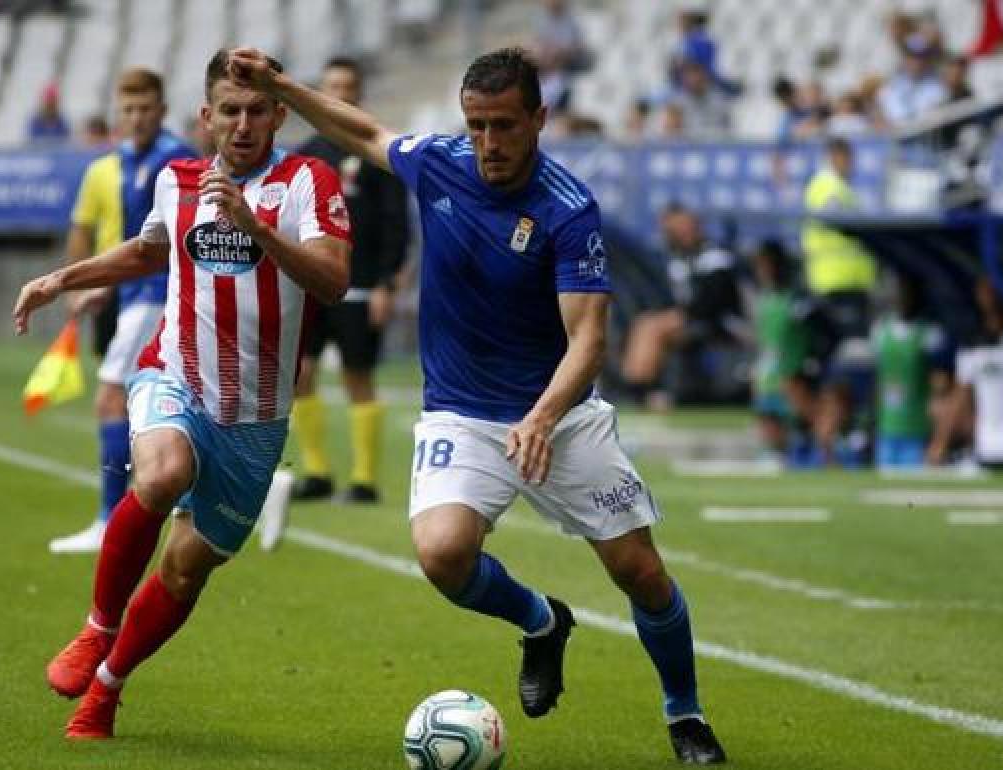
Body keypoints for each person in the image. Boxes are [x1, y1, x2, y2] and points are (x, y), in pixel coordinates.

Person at [229, 45, 727, 764]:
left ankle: (685, 715)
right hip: (462, 414)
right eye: (476, 126)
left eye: (503, 126)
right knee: (441, 554)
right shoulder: (441, 163)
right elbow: (366, 134)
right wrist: (279, 86)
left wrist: (542, 417)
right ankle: (541, 622)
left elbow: (587, 342)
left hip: (558, 413)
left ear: (539, 119)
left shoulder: (567, 210)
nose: (488, 144)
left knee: (639, 572)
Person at [13, 50, 350, 739]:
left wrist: (256, 229)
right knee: (163, 471)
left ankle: (107, 687)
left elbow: (333, 280)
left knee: (185, 568)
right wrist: (61, 280)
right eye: (231, 110)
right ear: (207, 117)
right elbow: (149, 251)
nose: (245, 123)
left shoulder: (307, 181)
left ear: (280, 114)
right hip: (177, 374)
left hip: (256, 418)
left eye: (259, 110)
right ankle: (94, 629)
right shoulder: (179, 178)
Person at [48, 69, 198, 555]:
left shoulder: (173, 159)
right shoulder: (123, 163)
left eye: (144, 108)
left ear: (161, 109)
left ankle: (110, 520)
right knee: (153, 402)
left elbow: (159, 246)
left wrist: (101, 283)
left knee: (113, 398)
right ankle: (183, 501)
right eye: (128, 109)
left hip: (153, 295)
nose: (136, 117)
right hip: (134, 295)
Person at [290, 56, 410, 505]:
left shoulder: (378, 152)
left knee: (359, 374)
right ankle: (317, 470)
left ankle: (364, 480)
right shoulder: (306, 154)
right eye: (332, 86)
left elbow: (397, 223)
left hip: (361, 285)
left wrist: (386, 283)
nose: (340, 94)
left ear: (359, 93)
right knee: (302, 371)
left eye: (348, 86)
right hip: (312, 282)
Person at [621, 204, 745, 409]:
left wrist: (678, 316)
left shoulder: (714, 257)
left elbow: (714, 303)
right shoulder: (677, 260)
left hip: (721, 322)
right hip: (689, 320)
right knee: (645, 323)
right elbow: (672, 299)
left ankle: (643, 391)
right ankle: (640, 389)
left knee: (652, 327)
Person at [801, 137, 878, 465]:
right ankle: (827, 442)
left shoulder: (841, 188)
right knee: (842, 374)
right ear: (834, 156)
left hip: (845, 289)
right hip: (836, 289)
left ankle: (832, 440)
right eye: (846, 156)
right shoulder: (827, 185)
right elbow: (841, 222)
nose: (851, 163)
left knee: (843, 372)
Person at [934, 278, 1003, 469]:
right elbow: (960, 398)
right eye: (984, 291)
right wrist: (940, 443)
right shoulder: (971, 345)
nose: (989, 297)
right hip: (985, 447)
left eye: (993, 291)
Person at [871, 272, 953, 469]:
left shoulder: (931, 334)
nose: (902, 298)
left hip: (917, 428)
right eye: (899, 292)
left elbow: (941, 383)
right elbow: (878, 378)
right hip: (887, 427)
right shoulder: (880, 331)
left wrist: (939, 434)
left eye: (908, 293)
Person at [750, 240, 810, 455]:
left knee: (787, 433)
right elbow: (761, 342)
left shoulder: (795, 301)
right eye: (760, 265)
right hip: (766, 378)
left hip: (788, 378)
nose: (763, 271)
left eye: (767, 264)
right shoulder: (762, 301)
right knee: (767, 430)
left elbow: (803, 342)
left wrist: (794, 373)